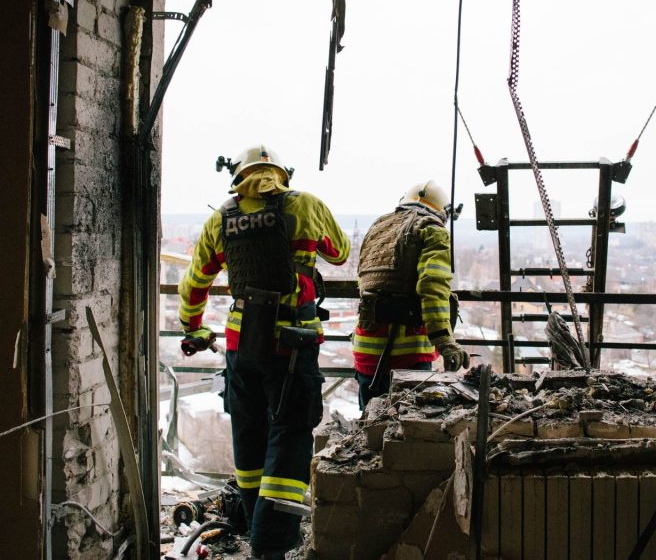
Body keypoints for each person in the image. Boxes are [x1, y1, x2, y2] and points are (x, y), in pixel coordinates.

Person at [177, 144, 350, 560]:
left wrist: (194, 328)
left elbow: (193, 284)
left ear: (238, 175)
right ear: (280, 174)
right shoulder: (305, 205)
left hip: (241, 343)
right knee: (289, 434)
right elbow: (340, 253)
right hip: (292, 342)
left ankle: (256, 525)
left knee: (249, 435)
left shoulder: (221, 218)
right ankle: (272, 544)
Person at [352, 180, 470, 410]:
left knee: (370, 431)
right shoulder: (432, 230)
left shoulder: (379, 227)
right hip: (407, 355)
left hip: (366, 349)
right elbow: (433, 287)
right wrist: (445, 342)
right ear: (442, 212)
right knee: (405, 434)